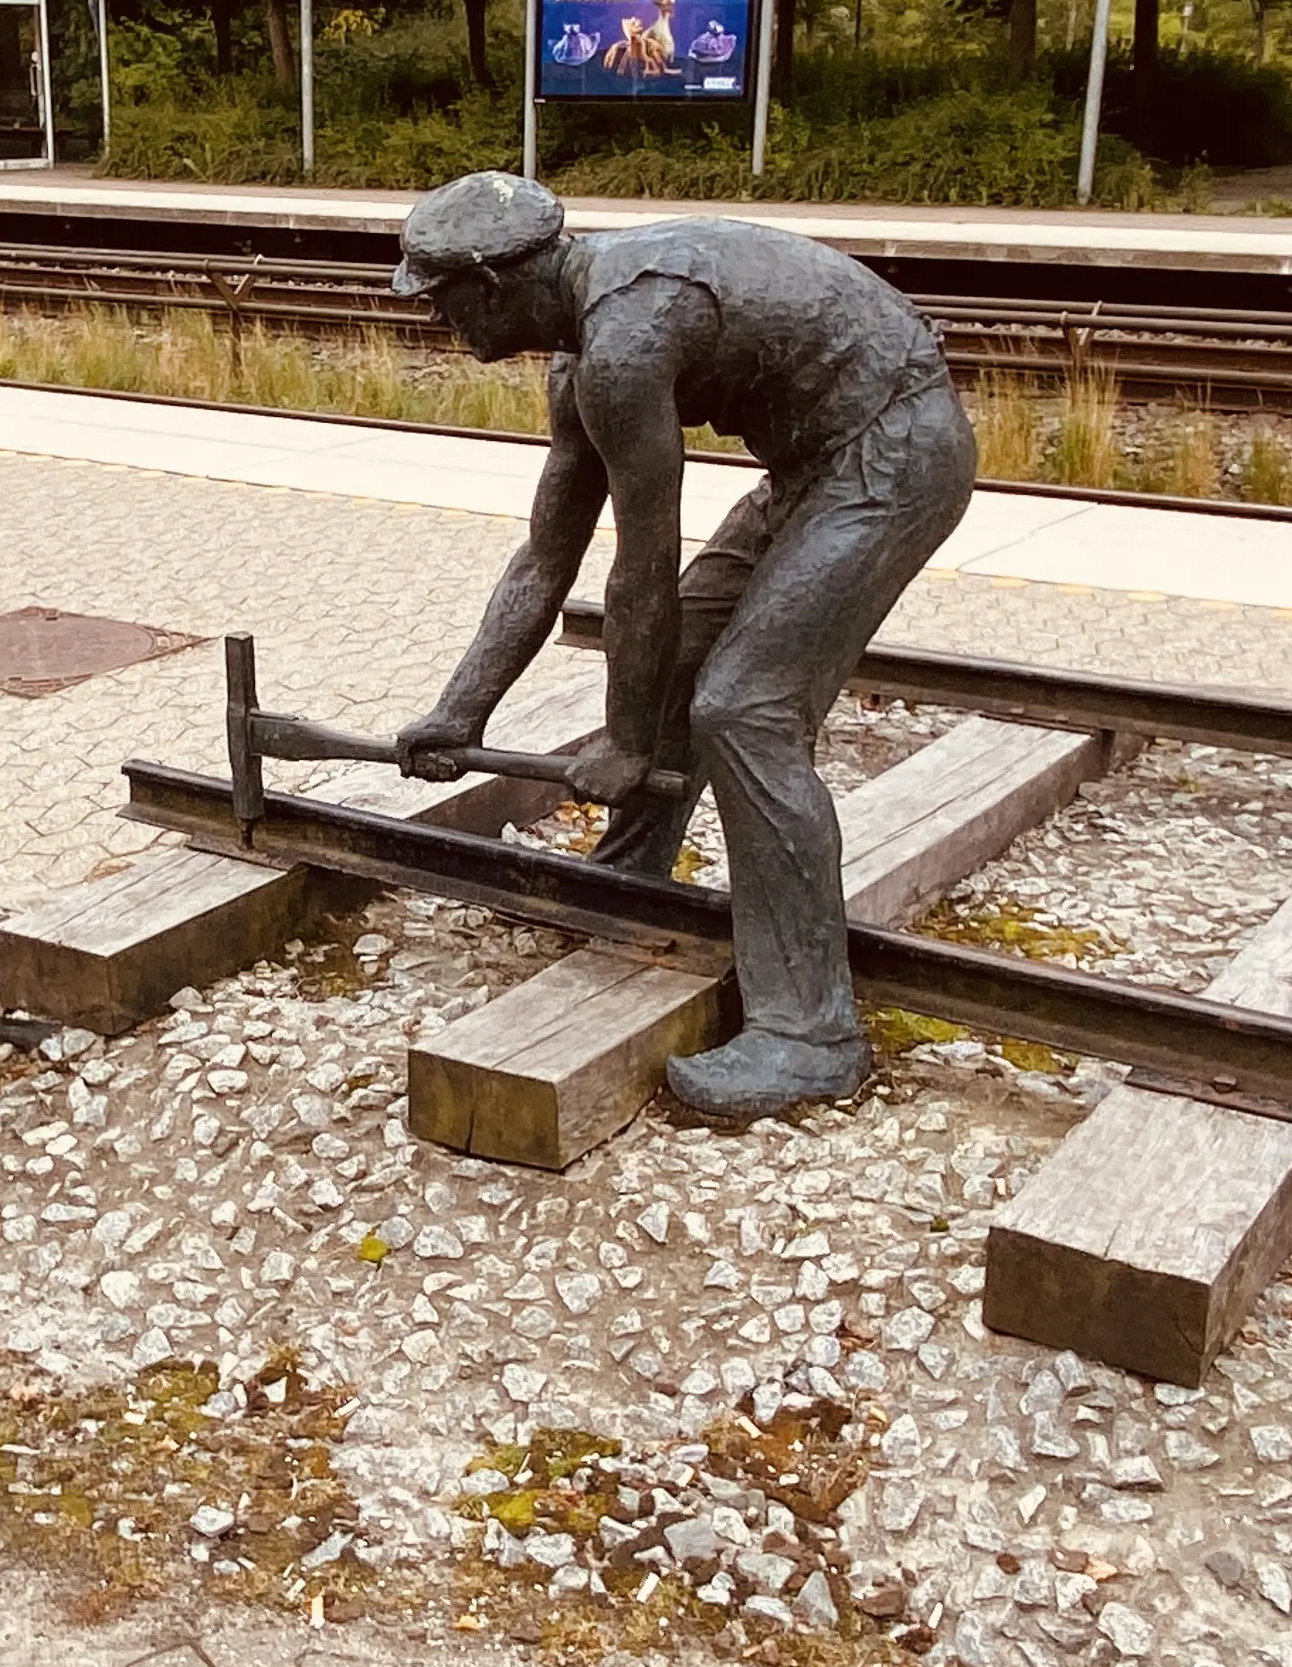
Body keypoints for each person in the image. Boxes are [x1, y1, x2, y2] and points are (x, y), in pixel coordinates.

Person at [388, 171, 977, 1122]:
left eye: (440, 299)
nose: (438, 322)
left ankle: (809, 1033)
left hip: (892, 452)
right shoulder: (578, 358)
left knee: (746, 709)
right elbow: (546, 556)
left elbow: (641, 572)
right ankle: (626, 882)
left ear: (493, 285)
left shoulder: (625, 338)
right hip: (809, 468)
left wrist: (622, 744)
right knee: (674, 662)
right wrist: (462, 706)